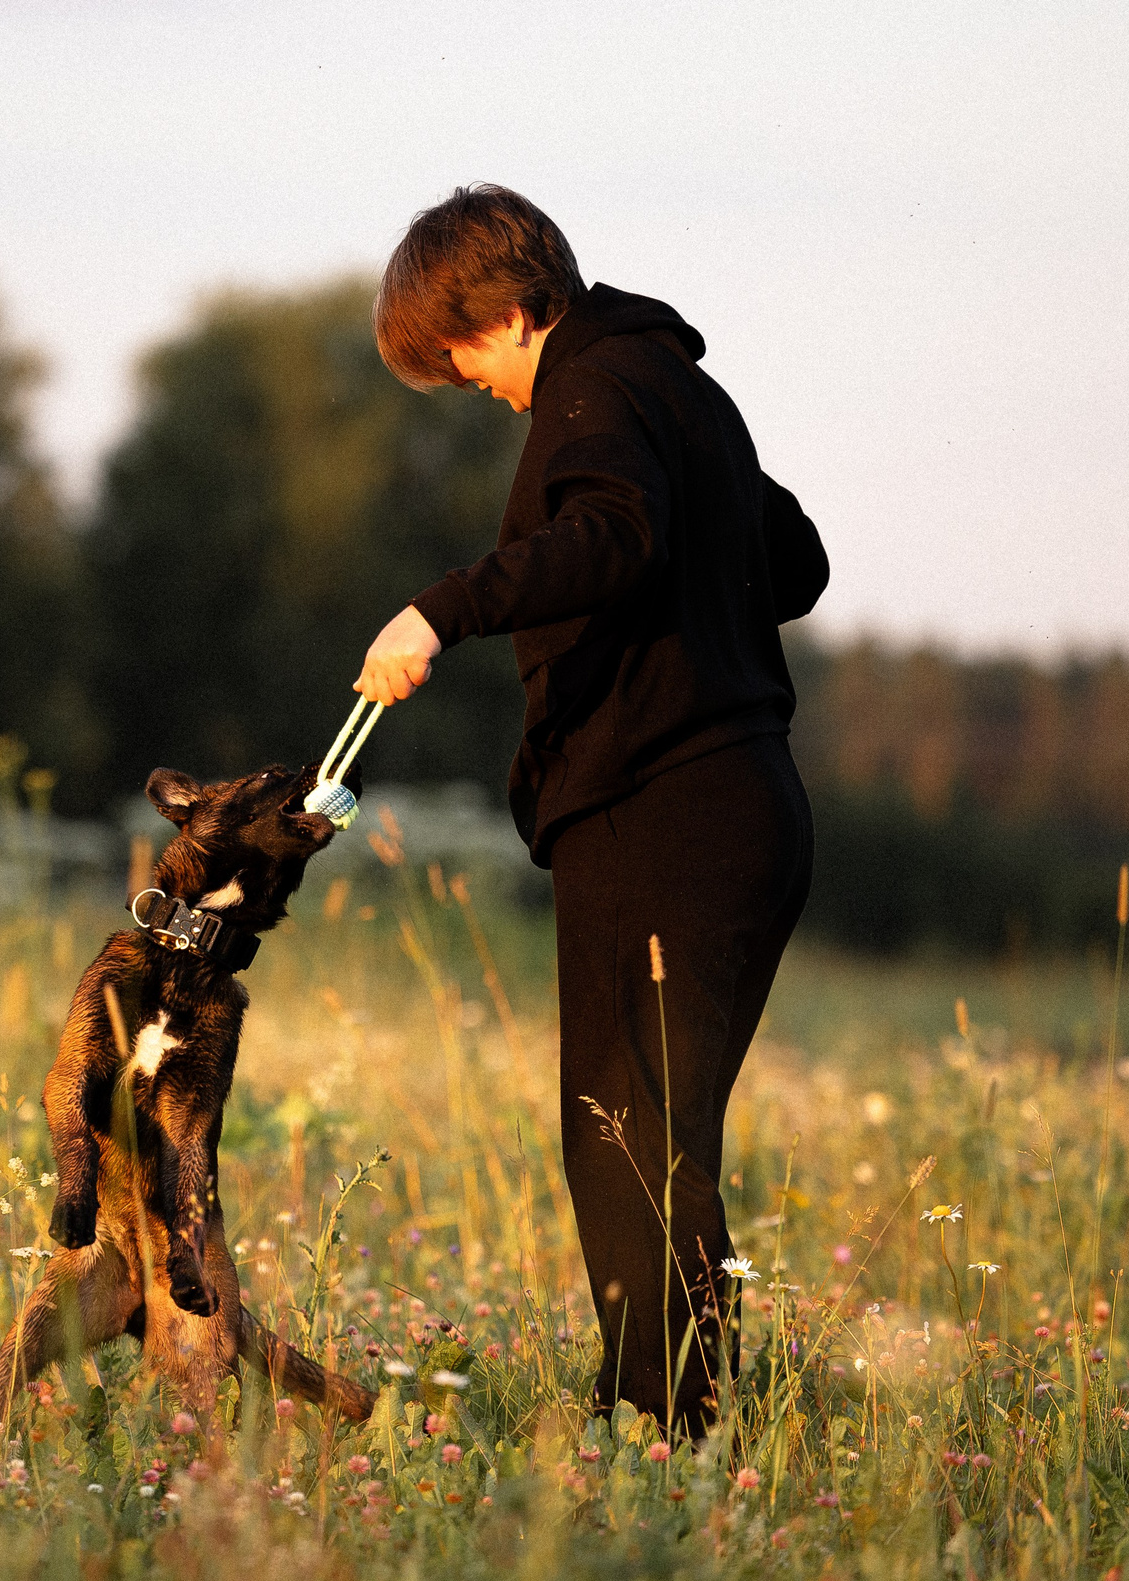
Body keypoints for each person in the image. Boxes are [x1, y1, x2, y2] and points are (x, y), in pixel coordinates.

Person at [356, 184, 825, 1437]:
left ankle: (660, 1432)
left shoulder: (592, 389)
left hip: (659, 807)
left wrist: (441, 609)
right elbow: (797, 562)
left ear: (510, 313)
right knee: (661, 1138)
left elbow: (610, 534)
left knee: (622, 1136)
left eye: (459, 358)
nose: (471, 386)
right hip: (753, 807)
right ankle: (695, 1422)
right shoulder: (682, 391)